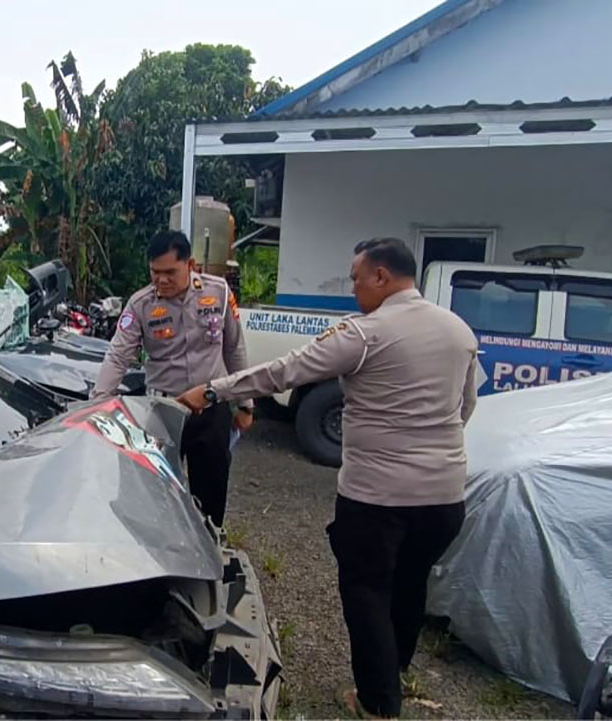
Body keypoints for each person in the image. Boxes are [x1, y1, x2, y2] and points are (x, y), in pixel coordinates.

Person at [177, 237, 479, 719]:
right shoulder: (459, 330)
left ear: (382, 276)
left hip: (378, 498)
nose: (354, 288)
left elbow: (286, 372)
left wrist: (214, 391)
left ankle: (379, 702)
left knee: (367, 590)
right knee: (410, 581)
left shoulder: (366, 333)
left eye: (357, 278)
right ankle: (395, 672)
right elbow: (465, 407)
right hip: (444, 498)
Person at [91, 229, 253, 528]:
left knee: (212, 488)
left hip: (211, 408)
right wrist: (98, 406)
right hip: (163, 412)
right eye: (155, 272)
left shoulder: (218, 293)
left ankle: (210, 546)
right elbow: (117, 357)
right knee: (156, 492)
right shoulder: (141, 305)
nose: (161, 280)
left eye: (170, 272)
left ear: (190, 265)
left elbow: (234, 348)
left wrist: (245, 403)